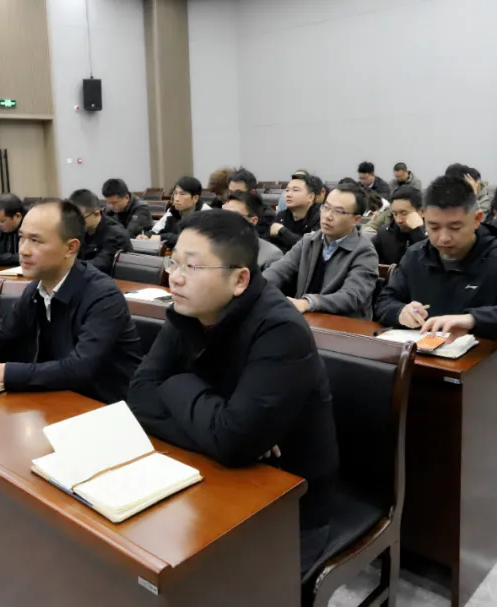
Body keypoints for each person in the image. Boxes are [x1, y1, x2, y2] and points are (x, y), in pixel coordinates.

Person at [125, 211, 338, 577]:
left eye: (192, 267)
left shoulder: (280, 329)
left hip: (287, 498)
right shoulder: (190, 309)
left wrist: (176, 383)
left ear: (239, 279)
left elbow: (234, 442)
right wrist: (222, 429)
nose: (175, 277)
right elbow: (139, 395)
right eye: (173, 262)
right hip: (211, 472)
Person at [374, 175, 497, 416]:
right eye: (433, 227)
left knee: (445, 418)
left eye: (455, 227)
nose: (443, 238)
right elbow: (384, 301)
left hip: (494, 375)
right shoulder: (416, 255)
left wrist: (473, 320)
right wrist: (400, 312)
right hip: (425, 368)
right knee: (375, 404)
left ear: (477, 219)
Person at [0, 200, 143, 403]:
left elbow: (79, 368)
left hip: (106, 406)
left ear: (71, 248)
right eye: (22, 238)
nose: (23, 250)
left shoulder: (103, 296)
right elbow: (3, 331)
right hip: (58, 397)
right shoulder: (36, 288)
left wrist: (1, 372)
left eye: (36, 240)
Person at [264, 182, 379, 319]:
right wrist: (256, 287)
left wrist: (309, 303)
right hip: (307, 320)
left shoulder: (365, 252)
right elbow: (279, 271)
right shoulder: (309, 241)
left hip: (344, 325)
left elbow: (351, 296)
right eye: (326, 207)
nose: (328, 216)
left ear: (356, 219)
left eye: (338, 211)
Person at [69, 189, 132, 275]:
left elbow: (102, 264)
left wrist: (68, 266)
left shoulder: (116, 234)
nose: (75, 223)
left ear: (96, 214)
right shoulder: (81, 230)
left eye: (80, 219)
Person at [222, 191, 284, 270]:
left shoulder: (270, 256)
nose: (226, 219)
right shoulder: (213, 245)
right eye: (224, 214)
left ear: (253, 221)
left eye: (234, 215)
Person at [140, 177, 207, 248]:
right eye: (175, 193)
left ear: (195, 198)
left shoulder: (206, 214)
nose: (177, 199)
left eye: (182, 194)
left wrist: (163, 237)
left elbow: (193, 241)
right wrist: (146, 236)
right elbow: (155, 231)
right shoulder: (172, 211)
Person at [373, 185, 426, 265]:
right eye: (395, 214)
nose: (398, 220)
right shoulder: (384, 234)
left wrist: (418, 232)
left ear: (421, 212)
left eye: (404, 213)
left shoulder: (434, 235)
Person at [270, 173, 322, 253]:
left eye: (295, 190)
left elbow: (310, 247)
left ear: (310, 197)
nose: (288, 194)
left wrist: (282, 231)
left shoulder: (321, 218)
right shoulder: (281, 216)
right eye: (287, 190)